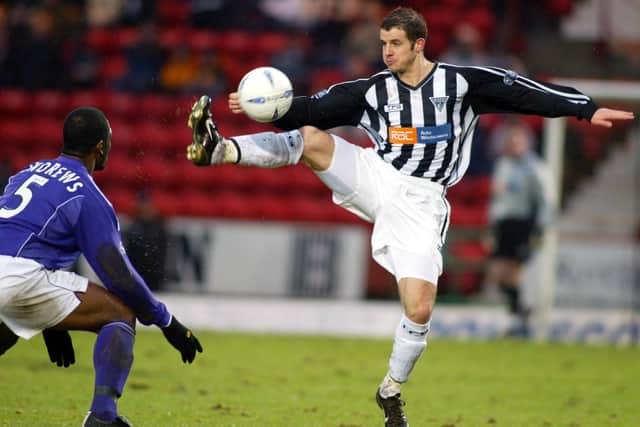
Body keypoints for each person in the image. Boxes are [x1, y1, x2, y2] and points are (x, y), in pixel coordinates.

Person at [185, 7, 634, 426]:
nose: (387, 52)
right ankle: (220, 149)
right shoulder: (371, 90)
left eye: (395, 43)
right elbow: (311, 110)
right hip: (376, 175)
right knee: (310, 138)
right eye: (384, 43)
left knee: (418, 307)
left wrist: (585, 108)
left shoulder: (461, 84)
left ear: (420, 44)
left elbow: (524, 93)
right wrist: (273, 108)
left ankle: (390, 389)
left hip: (421, 202)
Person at [0, 107, 202, 427]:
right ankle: (103, 417)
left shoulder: (26, 173)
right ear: (100, 147)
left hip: (13, 275)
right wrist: (167, 322)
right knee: (120, 313)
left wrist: (51, 321)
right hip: (19, 278)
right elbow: (118, 276)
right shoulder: (86, 192)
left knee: (7, 330)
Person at [485, 119, 553, 337]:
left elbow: (545, 201)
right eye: (510, 140)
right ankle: (521, 313)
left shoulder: (535, 167)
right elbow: (497, 199)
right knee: (497, 274)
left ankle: (519, 322)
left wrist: (540, 229)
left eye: (517, 140)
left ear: (526, 142)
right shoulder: (503, 165)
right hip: (503, 225)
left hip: (523, 225)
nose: (513, 144)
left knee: (513, 273)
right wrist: (491, 226)